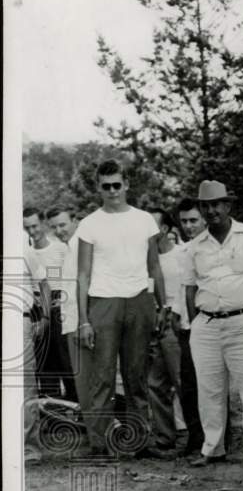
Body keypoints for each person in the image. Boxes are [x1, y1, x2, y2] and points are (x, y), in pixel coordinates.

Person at [76, 159, 170, 457]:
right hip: (104, 302)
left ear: (126, 184)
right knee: (102, 377)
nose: (113, 191)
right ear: (98, 188)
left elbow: (154, 265)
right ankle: (100, 445)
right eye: (106, 186)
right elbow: (82, 275)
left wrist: (162, 304)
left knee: (136, 376)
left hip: (139, 300)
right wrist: (83, 320)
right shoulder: (89, 223)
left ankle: (138, 441)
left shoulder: (144, 220)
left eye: (117, 185)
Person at [180, 180, 243, 467]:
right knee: (209, 391)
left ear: (228, 205)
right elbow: (189, 288)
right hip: (207, 323)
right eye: (205, 206)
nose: (211, 211)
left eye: (216, 204)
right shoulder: (194, 247)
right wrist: (197, 322)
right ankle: (213, 449)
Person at [145, 207, 186, 455]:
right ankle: (164, 437)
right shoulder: (145, 259)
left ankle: (200, 437)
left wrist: (176, 315)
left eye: (153, 226)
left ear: (165, 229)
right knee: (155, 383)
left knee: (181, 379)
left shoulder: (182, 254)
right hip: (151, 323)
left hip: (174, 321)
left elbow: (188, 288)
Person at [23, 207, 76, 401]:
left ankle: (75, 407)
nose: (32, 232)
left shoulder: (59, 249)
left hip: (58, 309)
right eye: (27, 228)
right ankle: (52, 411)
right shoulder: (25, 251)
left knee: (66, 361)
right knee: (44, 364)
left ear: (43, 224)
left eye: (35, 226)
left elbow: (66, 280)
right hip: (35, 309)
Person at [46, 204, 91, 415]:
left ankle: (102, 433)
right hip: (70, 321)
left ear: (75, 220)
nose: (59, 231)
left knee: (90, 382)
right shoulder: (68, 248)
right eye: (54, 227)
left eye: (63, 224)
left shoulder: (83, 245)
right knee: (79, 379)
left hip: (82, 323)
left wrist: (86, 321)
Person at [171, 198, 207, 456]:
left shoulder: (211, 250)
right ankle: (195, 437)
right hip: (185, 327)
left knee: (212, 385)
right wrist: (176, 314)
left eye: (193, 220)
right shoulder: (182, 252)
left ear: (204, 219)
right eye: (184, 221)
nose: (188, 226)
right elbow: (180, 288)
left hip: (209, 325)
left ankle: (217, 437)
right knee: (189, 385)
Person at [19, 246, 52, 462]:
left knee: (25, 384)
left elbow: (43, 283)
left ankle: (30, 447)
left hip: (19, 319)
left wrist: (46, 317)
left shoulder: (22, 246)